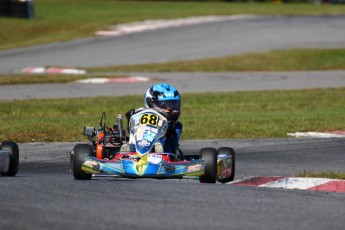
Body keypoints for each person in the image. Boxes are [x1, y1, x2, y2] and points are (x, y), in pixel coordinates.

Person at [125, 83, 183, 155]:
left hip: (164, 150)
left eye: (173, 104)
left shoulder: (174, 126)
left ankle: (163, 152)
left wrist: (170, 129)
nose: (169, 108)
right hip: (137, 142)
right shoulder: (137, 115)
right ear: (150, 102)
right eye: (164, 104)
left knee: (177, 127)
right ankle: (129, 149)